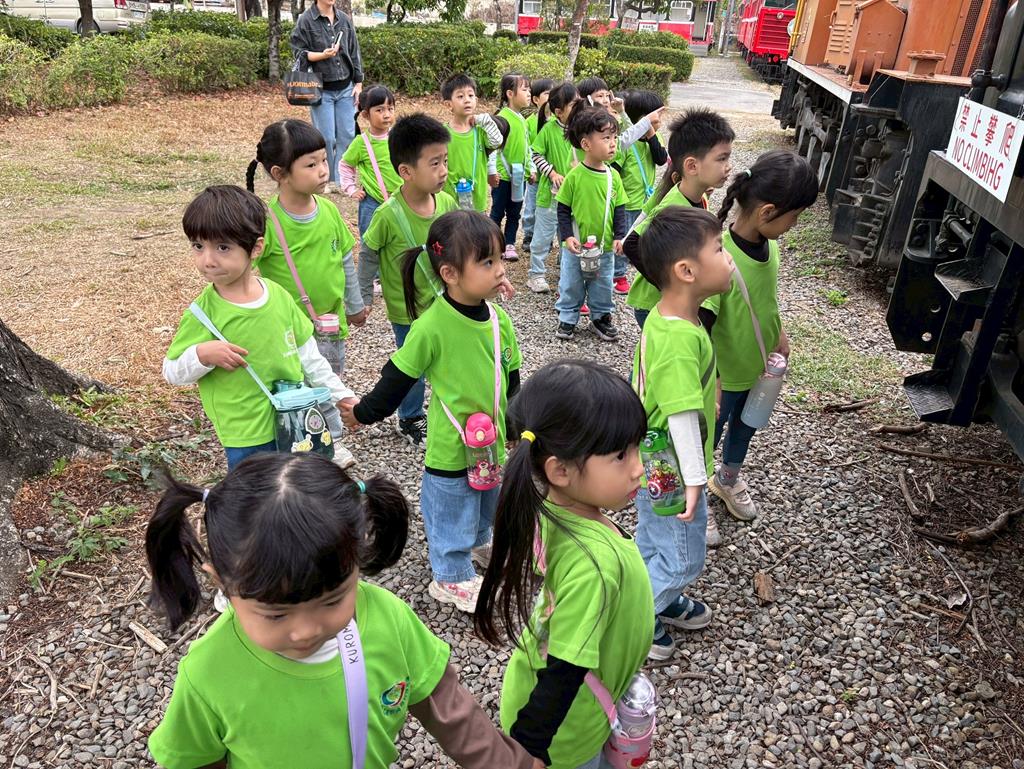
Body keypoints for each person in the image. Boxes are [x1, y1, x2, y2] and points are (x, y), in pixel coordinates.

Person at [145, 452, 542, 769]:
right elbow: (195, 761)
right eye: (276, 614)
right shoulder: (208, 672)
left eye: (332, 600)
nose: (306, 631)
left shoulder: (389, 619)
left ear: (358, 559)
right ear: (220, 581)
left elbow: (450, 710)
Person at [473, 360, 653, 769]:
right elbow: (565, 669)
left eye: (637, 448)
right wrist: (530, 748)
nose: (639, 467)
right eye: (621, 455)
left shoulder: (556, 508)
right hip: (568, 734)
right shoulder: (595, 564)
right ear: (560, 470)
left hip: (561, 695)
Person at [343, 211, 521, 614]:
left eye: (498, 259)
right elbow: (397, 378)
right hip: (451, 444)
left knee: (488, 495)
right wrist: (363, 412)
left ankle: (480, 542)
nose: (499, 270)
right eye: (487, 262)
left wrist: (513, 426)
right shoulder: (432, 326)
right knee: (451, 504)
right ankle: (450, 573)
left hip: (490, 440)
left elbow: (511, 375)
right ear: (450, 274)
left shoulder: (499, 320)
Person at [163, 186, 355, 471]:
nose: (208, 260)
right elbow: (172, 371)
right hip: (245, 435)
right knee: (254, 495)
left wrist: (342, 395)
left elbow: (309, 358)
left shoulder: (278, 296)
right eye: (198, 246)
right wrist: (203, 354)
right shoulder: (203, 314)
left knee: (293, 488)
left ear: (256, 248)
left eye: (222, 247)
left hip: (295, 423)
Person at [630, 206, 733, 660]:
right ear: (687, 271)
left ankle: (657, 596)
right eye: (719, 249)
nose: (728, 258)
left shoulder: (669, 317)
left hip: (654, 458)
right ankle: (635, 618)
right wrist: (694, 479)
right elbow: (681, 417)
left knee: (655, 540)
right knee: (685, 556)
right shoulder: (677, 340)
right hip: (669, 467)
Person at [704, 150, 818, 530]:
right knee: (707, 436)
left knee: (747, 427)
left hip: (758, 371)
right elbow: (701, 325)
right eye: (794, 217)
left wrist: (778, 331)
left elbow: (764, 300)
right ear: (767, 212)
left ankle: (727, 479)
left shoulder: (772, 248)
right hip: (724, 380)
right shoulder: (720, 259)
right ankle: (695, 497)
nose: (794, 225)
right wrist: (712, 380)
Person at [245, 119, 366, 470]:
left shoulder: (328, 211)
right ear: (280, 173)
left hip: (330, 322)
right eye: (311, 165)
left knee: (328, 378)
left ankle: (326, 439)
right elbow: (248, 272)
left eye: (324, 160)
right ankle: (316, 440)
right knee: (297, 385)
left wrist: (355, 304)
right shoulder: (268, 222)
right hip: (288, 329)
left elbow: (345, 259)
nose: (323, 170)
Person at [356, 113, 457, 448]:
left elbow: (459, 248)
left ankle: (448, 407)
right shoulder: (388, 214)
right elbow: (368, 253)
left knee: (447, 357)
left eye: (445, 161)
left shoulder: (447, 203)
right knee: (412, 364)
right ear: (406, 171)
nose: (443, 170)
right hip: (407, 310)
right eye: (434, 163)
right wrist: (363, 297)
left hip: (445, 303)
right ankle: (410, 416)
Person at [624, 107, 736, 330]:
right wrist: (669, 286)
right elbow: (632, 243)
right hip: (654, 305)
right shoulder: (674, 205)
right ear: (692, 166)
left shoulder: (699, 197)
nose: (728, 166)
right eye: (722, 159)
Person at [554, 105, 628, 343]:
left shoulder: (613, 177)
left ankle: (601, 317)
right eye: (606, 138)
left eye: (614, 137)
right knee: (571, 283)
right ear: (586, 144)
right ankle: (568, 316)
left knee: (602, 283)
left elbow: (620, 209)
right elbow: (563, 209)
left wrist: (619, 236)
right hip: (576, 247)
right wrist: (567, 236)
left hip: (603, 248)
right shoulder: (575, 176)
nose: (613, 144)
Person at [289, 0, 363, 193]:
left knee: (347, 135)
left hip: (346, 87)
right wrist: (322, 55)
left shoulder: (344, 19)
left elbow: (354, 51)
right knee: (326, 138)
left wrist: (358, 83)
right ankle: (327, 179)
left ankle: (340, 180)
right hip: (321, 90)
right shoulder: (306, 19)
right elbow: (299, 53)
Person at [526, 82, 580, 295]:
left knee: (568, 236)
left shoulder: (581, 129)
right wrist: (552, 173)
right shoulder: (549, 129)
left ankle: (565, 272)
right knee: (542, 238)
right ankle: (536, 275)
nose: (579, 107)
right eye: (573, 104)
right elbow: (535, 153)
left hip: (573, 197)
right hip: (550, 197)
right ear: (559, 111)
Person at [613, 90, 667, 296]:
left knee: (640, 237)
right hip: (627, 201)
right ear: (644, 118)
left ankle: (633, 266)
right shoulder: (627, 141)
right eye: (657, 116)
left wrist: (651, 134)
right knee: (623, 238)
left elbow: (661, 159)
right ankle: (618, 275)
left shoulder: (656, 137)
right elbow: (614, 170)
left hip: (646, 201)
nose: (661, 120)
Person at [339, 84, 402, 236]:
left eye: (390, 109)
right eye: (380, 110)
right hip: (372, 202)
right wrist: (351, 188)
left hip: (401, 198)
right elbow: (345, 165)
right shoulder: (361, 143)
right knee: (370, 239)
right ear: (366, 115)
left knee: (399, 237)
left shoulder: (399, 136)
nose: (386, 115)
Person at [441, 73, 504, 213]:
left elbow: (497, 141)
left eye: (470, 95)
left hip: (477, 202)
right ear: (448, 104)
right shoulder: (442, 133)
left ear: (476, 100)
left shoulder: (480, 131)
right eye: (460, 96)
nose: (467, 100)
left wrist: (484, 120)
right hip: (450, 203)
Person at [490, 73, 536, 262]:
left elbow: (527, 148)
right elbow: (493, 148)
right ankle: (492, 243)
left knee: (515, 212)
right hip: (503, 176)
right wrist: (493, 171)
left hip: (519, 176)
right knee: (497, 211)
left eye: (529, 89)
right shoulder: (502, 118)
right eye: (524, 89)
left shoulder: (523, 120)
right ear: (510, 93)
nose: (529, 93)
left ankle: (509, 243)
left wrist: (531, 169)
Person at [521, 78, 554, 251]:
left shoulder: (556, 122)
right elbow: (528, 149)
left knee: (549, 209)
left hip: (552, 176)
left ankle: (546, 237)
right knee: (531, 207)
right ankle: (529, 234)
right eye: (547, 94)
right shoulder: (528, 122)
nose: (551, 97)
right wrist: (530, 169)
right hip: (535, 176)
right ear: (535, 99)